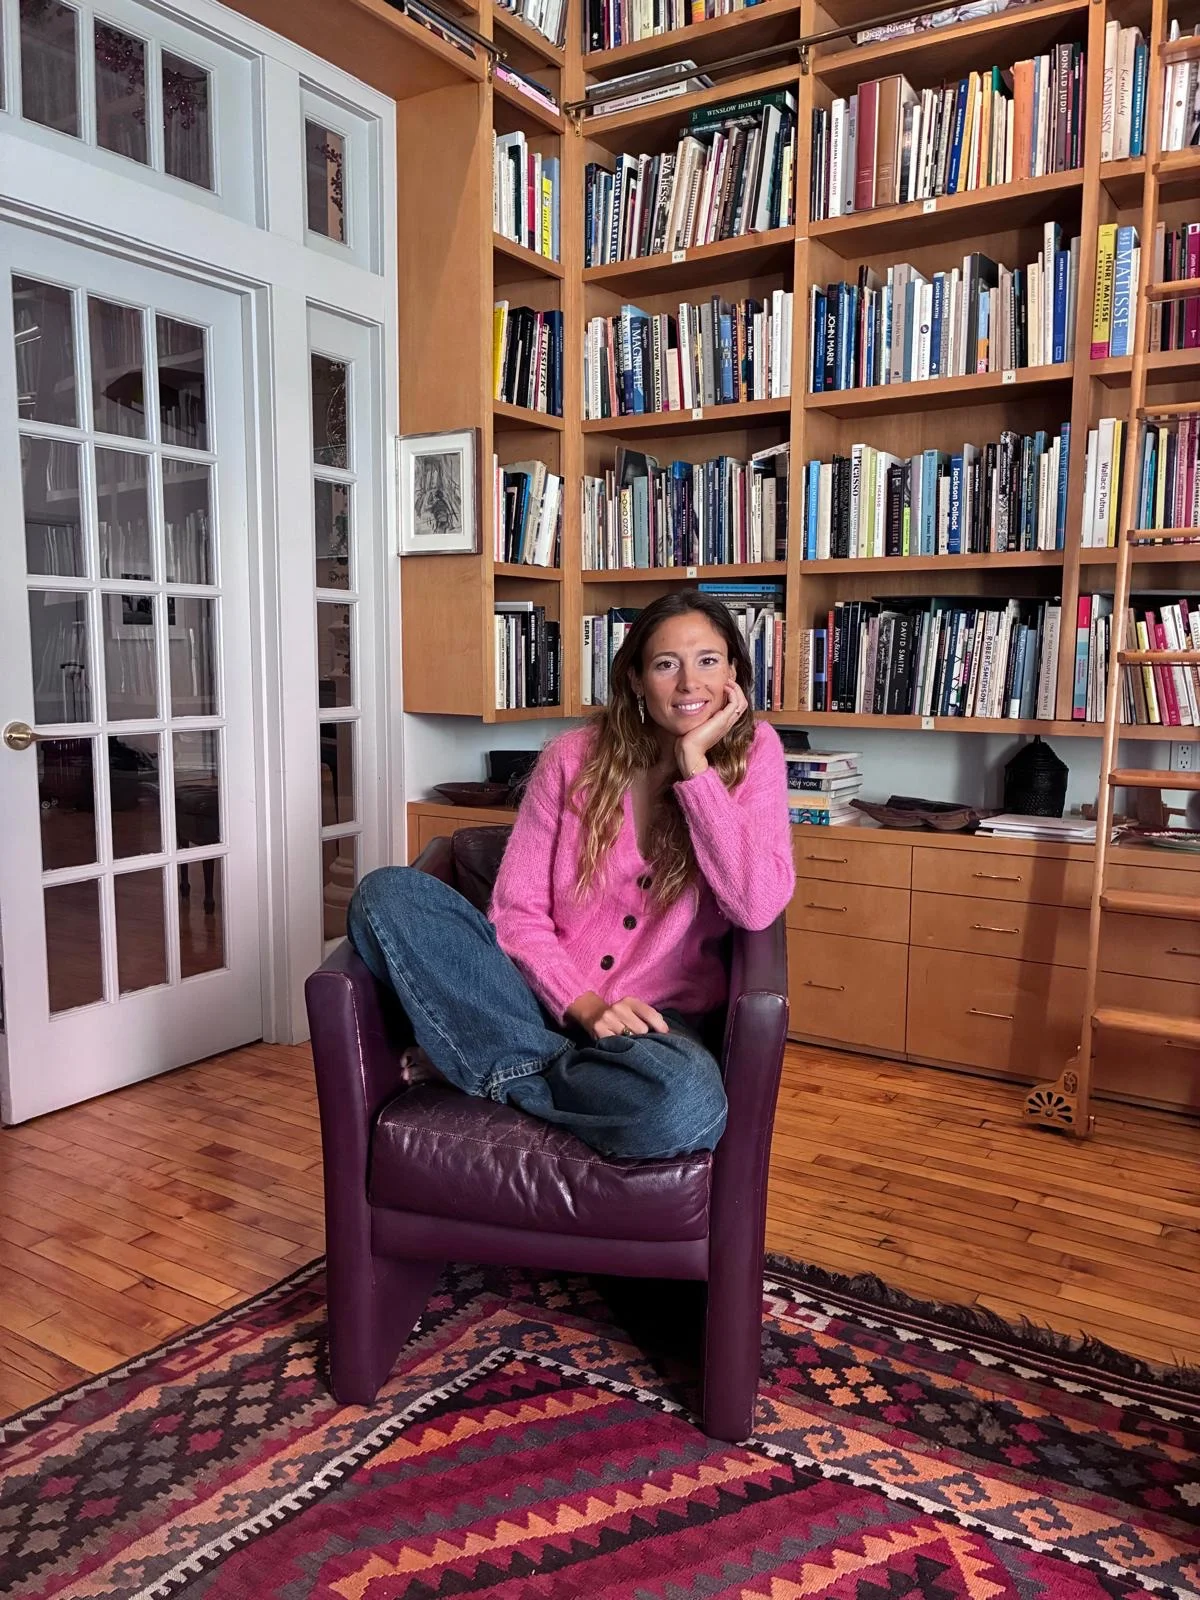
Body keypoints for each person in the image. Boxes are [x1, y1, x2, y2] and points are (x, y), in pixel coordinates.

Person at [346, 590, 795, 1161]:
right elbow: (517, 914)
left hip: (652, 1031)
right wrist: (583, 1006)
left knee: (686, 1106)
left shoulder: (755, 753)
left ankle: (482, 1059)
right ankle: (546, 1061)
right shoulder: (572, 757)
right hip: (535, 999)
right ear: (636, 679)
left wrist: (695, 769)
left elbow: (756, 905)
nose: (690, 683)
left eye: (708, 660)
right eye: (666, 664)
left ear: (733, 672)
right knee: (387, 893)